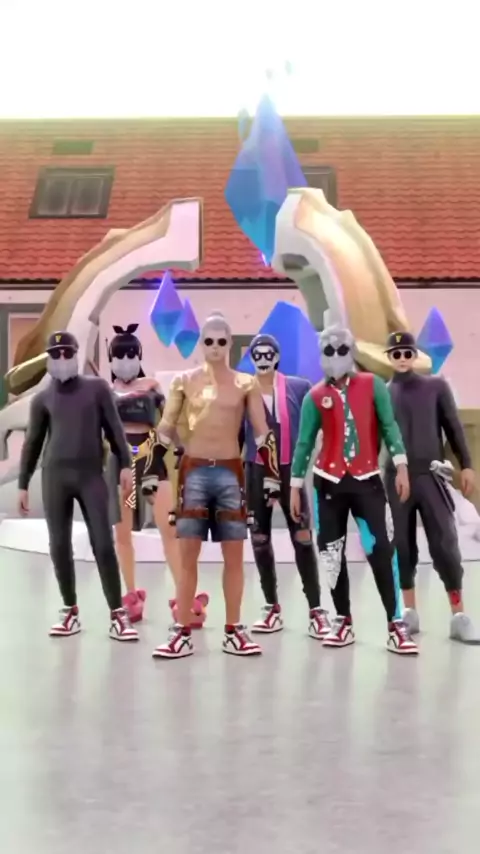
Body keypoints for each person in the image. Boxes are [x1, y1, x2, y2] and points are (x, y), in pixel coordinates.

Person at [151, 312, 281, 659]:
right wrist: (149, 466)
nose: (215, 347)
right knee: (187, 556)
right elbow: (165, 427)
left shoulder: (245, 383)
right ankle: (181, 631)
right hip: (193, 471)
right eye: (208, 340)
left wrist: (272, 473)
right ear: (201, 343)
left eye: (221, 341)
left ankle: (233, 629)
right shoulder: (184, 381)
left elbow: (262, 431)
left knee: (234, 555)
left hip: (229, 473)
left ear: (230, 343)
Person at [290, 324, 418, 655]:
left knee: (381, 550)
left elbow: (389, 426)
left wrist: (401, 465)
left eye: (342, 349)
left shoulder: (372, 385)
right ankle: (343, 620)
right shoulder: (314, 396)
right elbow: (304, 443)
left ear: (352, 351)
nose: (335, 356)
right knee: (331, 554)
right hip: (327, 485)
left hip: (367, 481)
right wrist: (294, 485)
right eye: (328, 350)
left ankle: (395, 624)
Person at [17, 331, 138, 641]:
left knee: (103, 543)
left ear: (76, 354)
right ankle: (70, 610)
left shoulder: (97, 389)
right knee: (59, 545)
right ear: (49, 359)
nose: (61, 359)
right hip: (54, 476)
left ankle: (117, 613)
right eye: (55, 354)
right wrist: (23, 483)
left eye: (67, 353)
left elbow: (115, 429)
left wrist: (126, 464)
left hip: (90, 475)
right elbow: (32, 443)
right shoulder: (42, 398)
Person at [107, 323, 208, 626]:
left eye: (130, 354)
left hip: (151, 458)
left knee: (170, 530)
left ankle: (184, 596)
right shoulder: (105, 391)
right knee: (123, 533)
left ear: (138, 355)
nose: (125, 360)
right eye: (119, 355)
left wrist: (184, 447)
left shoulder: (152, 387)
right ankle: (130, 595)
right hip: (120, 462)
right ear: (111, 358)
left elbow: (170, 421)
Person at [385, 331, 479, 643]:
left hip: (431, 474)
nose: (402, 359)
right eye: (396, 354)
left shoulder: (435, 386)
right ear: (389, 357)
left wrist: (466, 464)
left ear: (414, 355)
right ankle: (409, 612)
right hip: (396, 477)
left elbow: (453, 426)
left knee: (445, 543)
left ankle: (459, 615)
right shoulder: (383, 392)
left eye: (406, 353)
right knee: (401, 545)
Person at [243, 333, 330, 638]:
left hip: (290, 471)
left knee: (303, 538)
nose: (263, 359)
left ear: (277, 356)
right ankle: (271, 606)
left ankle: (316, 609)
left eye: (269, 353)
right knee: (259, 539)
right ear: (251, 357)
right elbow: (236, 434)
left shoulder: (298, 387)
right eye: (257, 353)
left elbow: (317, 425)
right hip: (255, 470)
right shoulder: (244, 390)